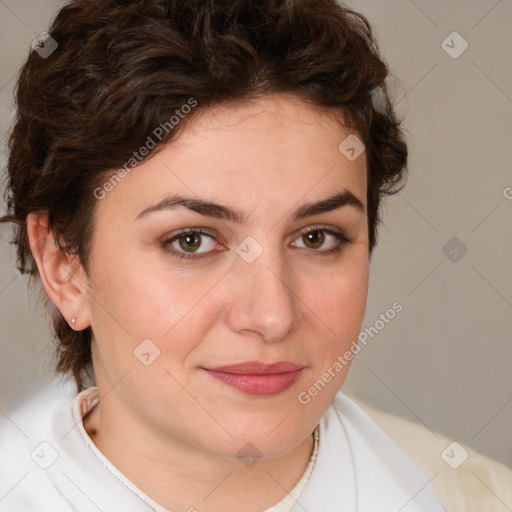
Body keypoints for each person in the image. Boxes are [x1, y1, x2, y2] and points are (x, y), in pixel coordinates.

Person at [0, 0, 446, 510]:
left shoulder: (469, 492)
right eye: (191, 240)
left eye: (317, 237)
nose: (273, 316)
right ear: (65, 267)